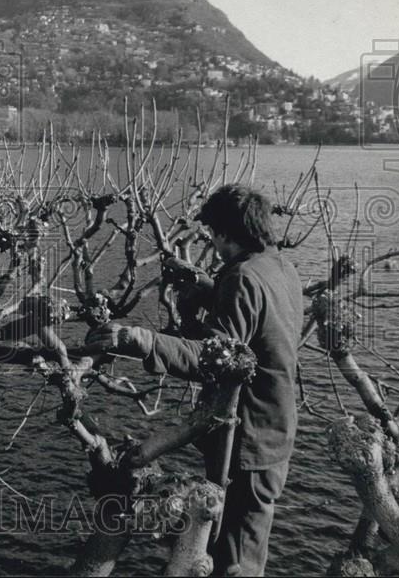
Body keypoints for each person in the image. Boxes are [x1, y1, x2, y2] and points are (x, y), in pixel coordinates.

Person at [86, 183, 303, 577]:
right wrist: (204, 285)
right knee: (236, 542)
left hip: (248, 438)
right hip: (276, 428)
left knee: (236, 562)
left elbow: (216, 358)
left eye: (212, 233)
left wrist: (142, 339)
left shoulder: (243, 279)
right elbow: (255, 324)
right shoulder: (280, 267)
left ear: (224, 232)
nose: (210, 240)